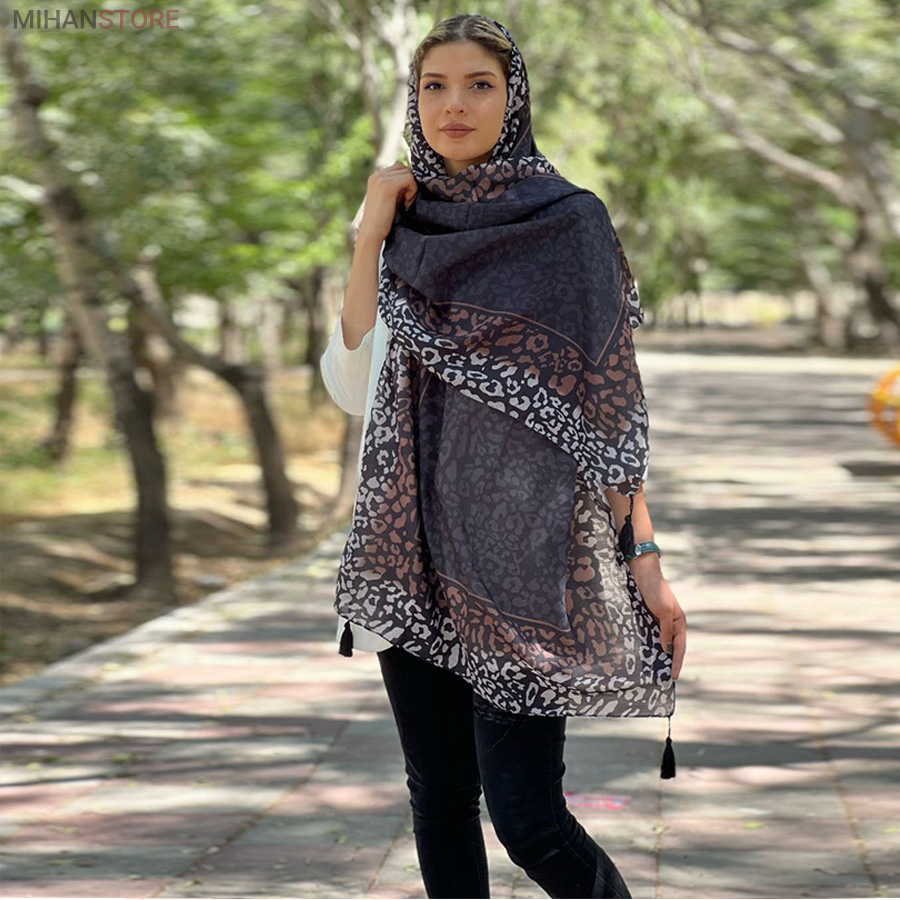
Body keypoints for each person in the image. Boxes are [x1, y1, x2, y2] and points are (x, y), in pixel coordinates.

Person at [320, 14, 687, 899]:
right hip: (410, 557)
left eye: (478, 85)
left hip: (524, 562)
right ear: (416, 100)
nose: (455, 105)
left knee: (528, 818)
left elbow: (608, 408)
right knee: (441, 800)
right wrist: (369, 235)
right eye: (434, 86)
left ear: (512, 100)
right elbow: (352, 384)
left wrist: (644, 557)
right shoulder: (401, 228)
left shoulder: (568, 223)